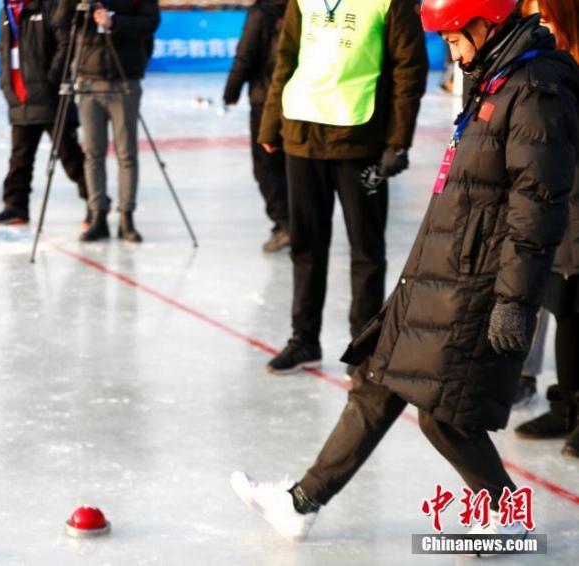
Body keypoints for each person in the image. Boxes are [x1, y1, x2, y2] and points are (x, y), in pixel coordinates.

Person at [232, 0, 579, 542]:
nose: (452, 50)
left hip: (476, 281)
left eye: (456, 37)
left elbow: (536, 205)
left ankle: (503, 515)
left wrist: (514, 299)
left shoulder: (535, 90)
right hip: (439, 267)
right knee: (375, 379)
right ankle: (301, 504)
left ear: (488, 24)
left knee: (443, 415)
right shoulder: (493, 74)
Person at [260, 0, 429, 374]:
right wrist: (271, 123)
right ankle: (304, 340)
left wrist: (398, 141)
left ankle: (364, 351)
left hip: (361, 141)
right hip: (302, 137)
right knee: (306, 247)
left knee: (366, 251)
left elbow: (410, 69)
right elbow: (286, 59)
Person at [513, 0, 579, 459]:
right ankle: (567, 406)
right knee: (565, 306)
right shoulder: (552, 55)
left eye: (546, 11)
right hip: (564, 198)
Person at [56, 0, 161, 243]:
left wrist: (115, 22)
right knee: (93, 153)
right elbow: (61, 22)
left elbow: (151, 22)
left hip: (124, 78)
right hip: (88, 78)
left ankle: (127, 216)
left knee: (127, 154)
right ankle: (98, 215)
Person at [0, 0, 89, 227]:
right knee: (19, 159)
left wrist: (50, 81)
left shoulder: (50, 5)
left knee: (70, 156)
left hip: (50, 98)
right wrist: (6, 85)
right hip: (19, 98)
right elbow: (5, 51)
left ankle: (95, 203)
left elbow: (66, 45)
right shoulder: (7, 10)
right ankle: (15, 207)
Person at [223, 0, 290, 253]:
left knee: (266, 167)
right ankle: (290, 223)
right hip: (297, 99)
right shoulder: (302, 6)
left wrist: (231, 91)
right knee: (288, 166)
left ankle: (285, 223)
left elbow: (246, 55)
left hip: (267, 101)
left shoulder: (261, 13)